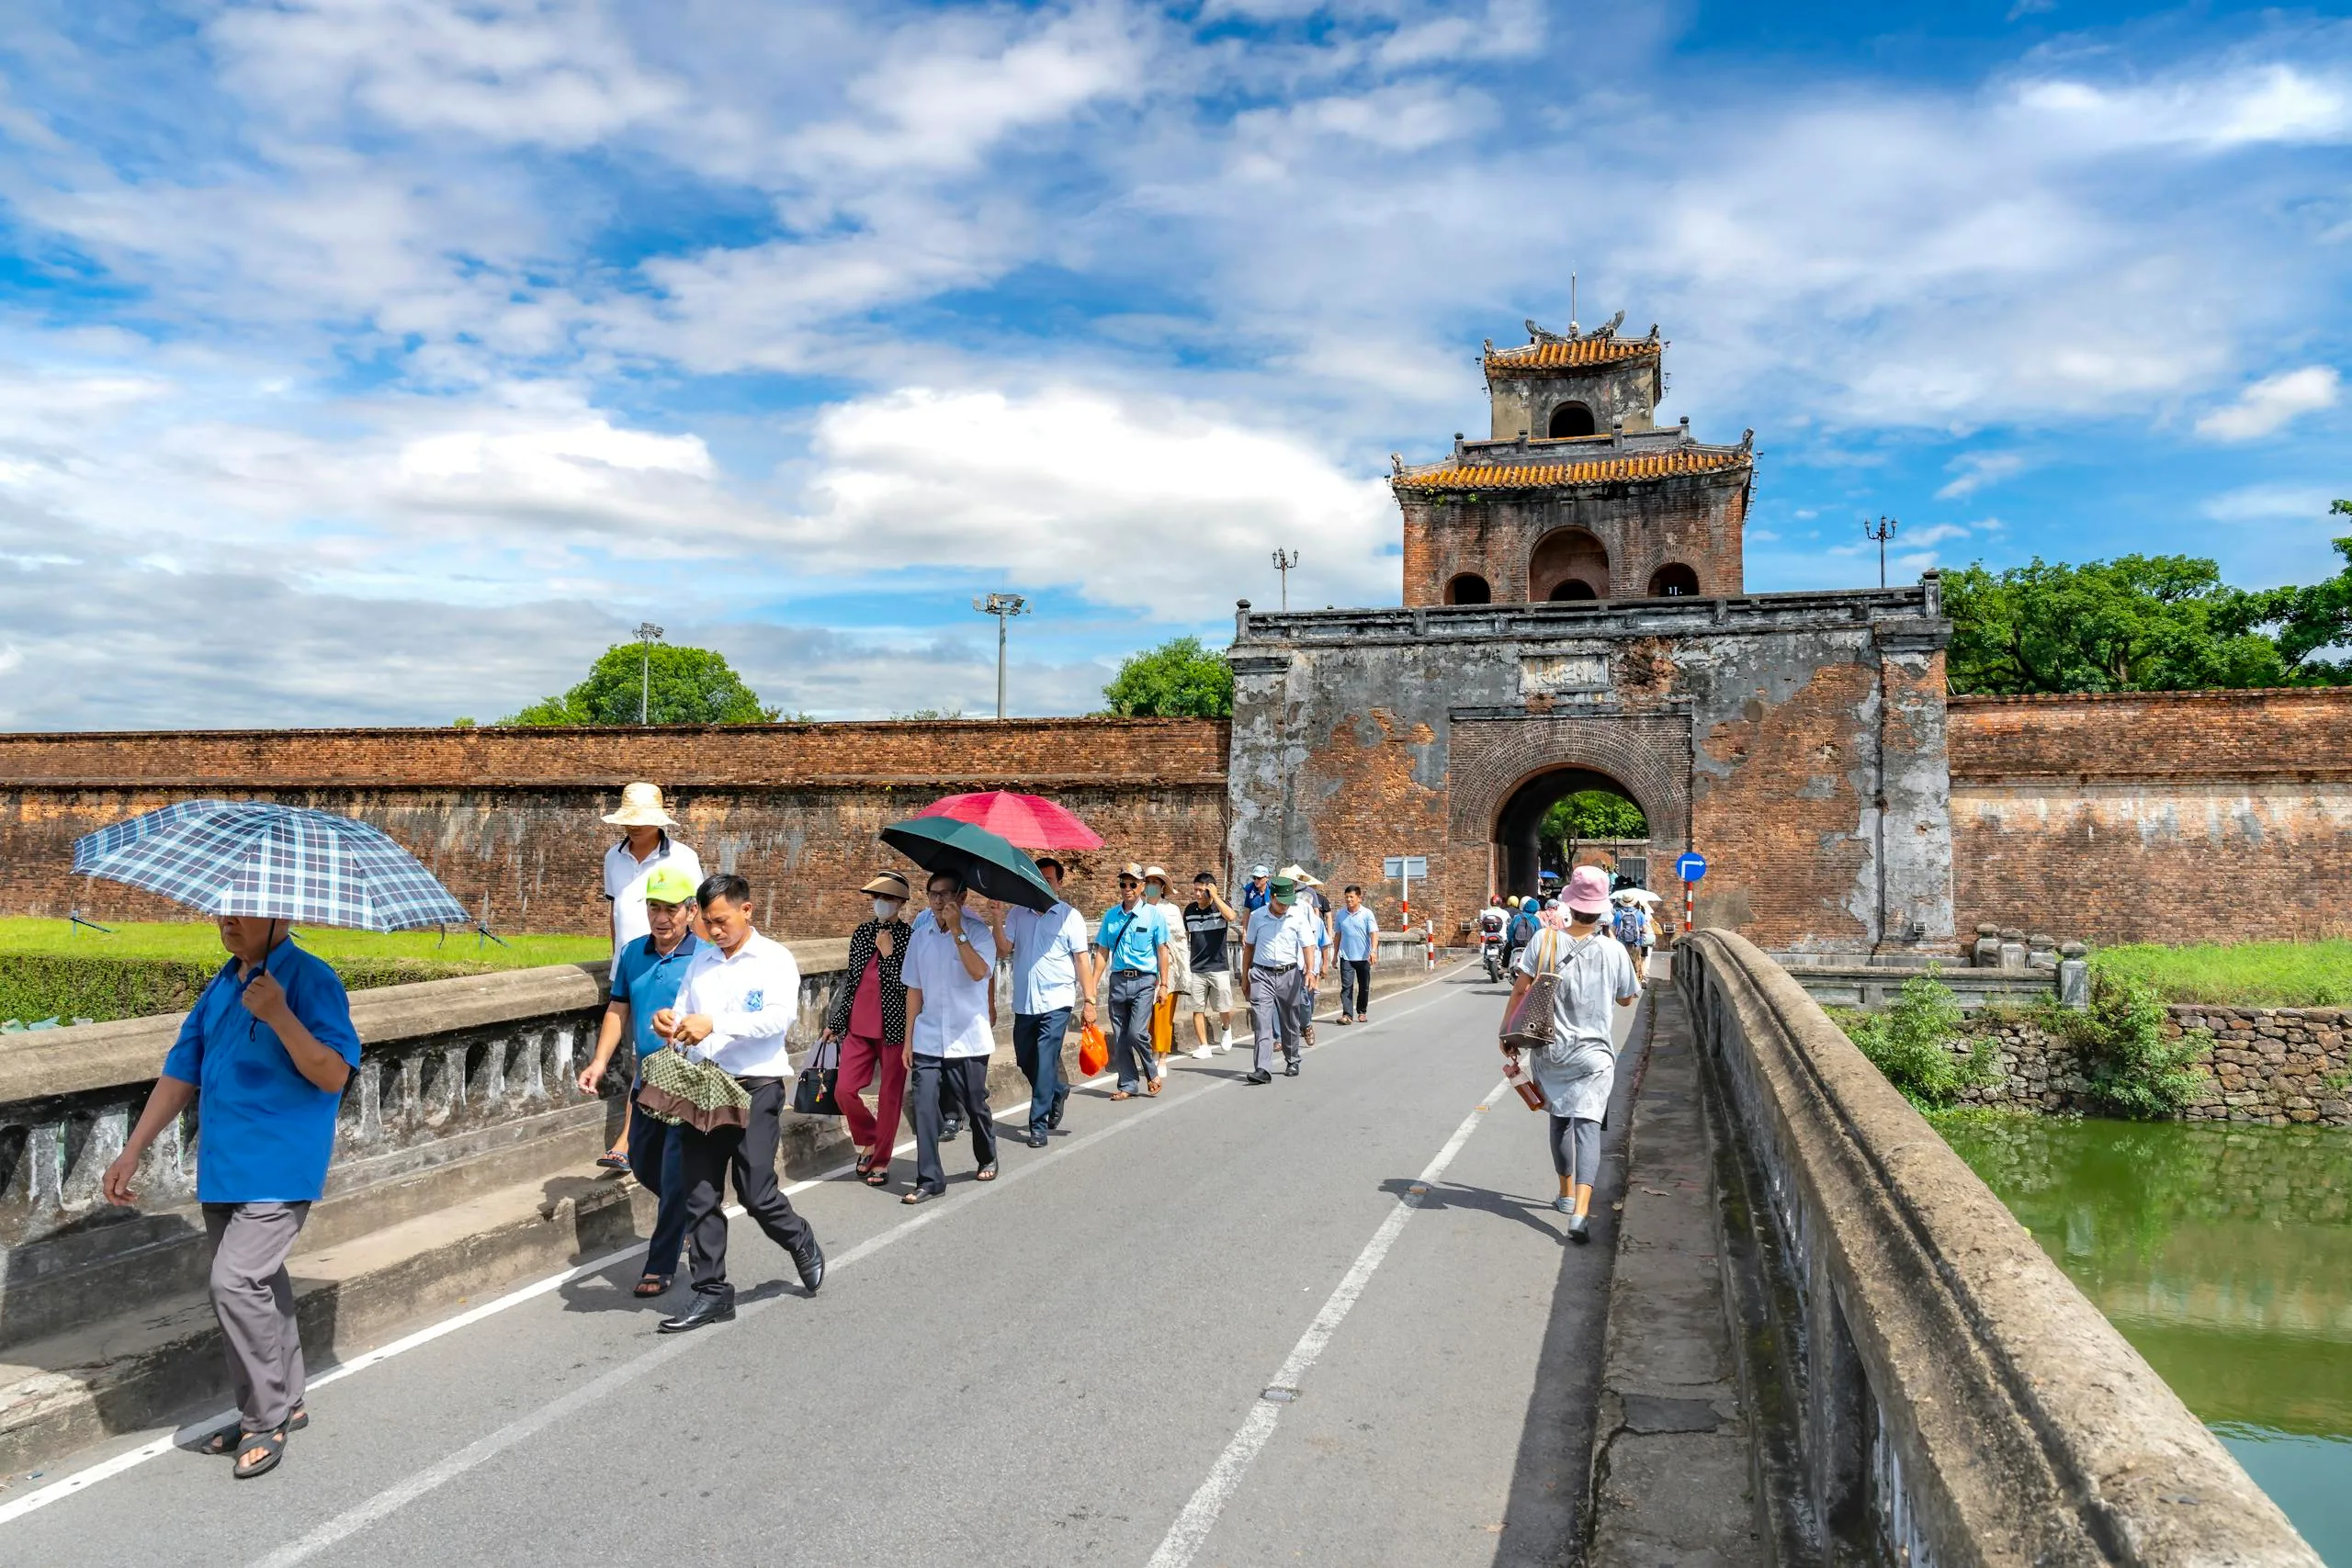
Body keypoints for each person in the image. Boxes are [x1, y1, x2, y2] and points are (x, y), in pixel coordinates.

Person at [100, 914, 363, 1480]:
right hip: (224, 1161)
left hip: (280, 1162)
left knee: (234, 1281)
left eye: (244, 910)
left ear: (282, 915)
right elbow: (181, 1069)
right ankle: (285, 1401)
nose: (228, 921)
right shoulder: (224, 982)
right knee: (261, 1282)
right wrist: (133, 1149)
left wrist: (279, 1015)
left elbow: (333, 1074)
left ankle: (262, 1419)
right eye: (223, 909)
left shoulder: (313, 980)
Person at [652, 874, 824, 1332]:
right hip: (705, 1086)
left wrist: (717, 1024)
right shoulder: (702, 962)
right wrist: (668, 1022)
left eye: (722, 920)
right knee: (700, 1193)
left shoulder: (773, 959)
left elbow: (777, 1018)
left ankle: (799, 1237)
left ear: (747, 910)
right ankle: (711, 1292)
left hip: (756, 1086)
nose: (714, 930)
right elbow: (685, 1009)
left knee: (755, 1191)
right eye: (707, 922)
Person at [575, 864, 703, 1297]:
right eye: (653, 908)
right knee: (644, 1163)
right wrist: (598, 1061)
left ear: (689, 911)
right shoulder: (632, 953)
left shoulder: (704, 956)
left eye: (670, 909)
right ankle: (688, 1210)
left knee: (670, 1169)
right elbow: (618, 1010)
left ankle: (660, 1263)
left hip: (688, 1077)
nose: (661, 918)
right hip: (646, 1078)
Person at [1498, 865, 1641, 1245]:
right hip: (1595, 1056)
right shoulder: (1614, 950)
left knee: (1560, 1120)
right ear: (1600, 909)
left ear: (1570, 904)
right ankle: (1580, 1213)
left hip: (1552, 1051)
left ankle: (1563, 1193)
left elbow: (1519, 991)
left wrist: (1506, 1031)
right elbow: (1627, 999)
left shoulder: (1544, 941)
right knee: (1588, 1127)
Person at [596, 782, 705, 1171]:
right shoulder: (614, 857)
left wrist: (697, 964)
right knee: (643, 1055)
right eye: (630, 821)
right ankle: (640, 1141)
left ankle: (630, 1141)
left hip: (676, 961)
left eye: (642, 821)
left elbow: (698, 915)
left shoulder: (682, 857)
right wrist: (617, 961)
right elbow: (616, 916)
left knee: (660, 1056)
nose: (635, 828)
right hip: (634, 964)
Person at [902, 870, 999, 1202]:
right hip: (928, 1037)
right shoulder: (921, 936)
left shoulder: (979, 933)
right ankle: (929, 1179)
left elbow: (977, 973)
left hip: (967, 1036)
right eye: (933, 895)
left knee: (975, 1104)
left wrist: (957, 931)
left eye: (945, 894)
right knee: (926, 1108)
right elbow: (914, 989)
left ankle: (986, 1152)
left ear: (962, 897)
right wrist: (908, 1039)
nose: (938, 901)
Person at [993, 854, 1095, 1148]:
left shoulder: (1069, 917)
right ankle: (1057, 1090)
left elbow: (1081, 961)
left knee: (1046, 1057)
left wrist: (1089, 1001)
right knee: (1026, 1059)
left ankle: (1037, 1124)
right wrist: (998, 918)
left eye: (1048, 879)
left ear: (1059, 884)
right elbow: (1003, 950)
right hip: (1025, 1002)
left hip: (1057, 1001)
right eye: (1036, 878)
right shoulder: (1016, 914)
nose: (1041, 883)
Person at [822, 872, 914, 1190]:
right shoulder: (862, 933)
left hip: (895, 1028)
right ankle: (871, 1137)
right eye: (877, 898)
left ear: (901, 903)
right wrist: (836, 1023)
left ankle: (880, 1160)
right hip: (859, 1025)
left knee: (890, 1097)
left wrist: (889, 955)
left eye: (888, 899)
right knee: (843, 1090)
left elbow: (909, 988)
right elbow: (854, 983)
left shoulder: (910, 938)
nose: (881, 904)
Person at [1092, 862, 1173, 1100]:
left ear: (1142, 887)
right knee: (1120, 1036)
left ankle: (1151, 1071)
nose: (1127, 888)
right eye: (1123, 884)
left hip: (1144, 981)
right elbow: (1102, 952)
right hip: (1118, 979)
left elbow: (1162, 951)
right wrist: (1092, 986)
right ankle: (1127, 1084)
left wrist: (1164, 985)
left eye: (1132, 884)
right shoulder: (1111, 916)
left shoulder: (1153, 915)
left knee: (1137, 1032)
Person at [1241, 875, 1323, 1083]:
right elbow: (1249, 947)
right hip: (1261, 974)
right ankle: (1262, 1069)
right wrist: (1245, 977)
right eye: (1280, 903)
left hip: (1290, 974)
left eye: (1288, 903)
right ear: (1272, 896)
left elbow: (1308, 945)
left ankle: (1292, 1058)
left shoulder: (1297, 917)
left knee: (1289, 1019)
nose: (1284, 907)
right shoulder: (1258, 917)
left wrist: (1310, 972)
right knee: (1262, 1021)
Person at [1182, 871, 1239, 1057]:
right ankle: (1204, 1046)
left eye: (1201, 890)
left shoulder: (1221, 908)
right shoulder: (1189, 910)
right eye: (1195, 890)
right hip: (1197, 968)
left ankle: (1226, 1027)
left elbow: (1231, 917)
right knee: (1197, 1008)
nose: (1197, 894)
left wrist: (1215, 896)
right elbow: (1184, 936)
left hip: (1218, 967)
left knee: (1223, 1006)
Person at [1333, 885, 1380, 1024]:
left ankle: (1362, 1011)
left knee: (1364, 985)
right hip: (1346, 956)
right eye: (1346, 897)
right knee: (1346, 987)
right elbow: (1338, 935)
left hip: (1363, 956)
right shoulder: (1341, 914)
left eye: (1351, 897)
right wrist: (1335, 955)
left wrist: (1373, 951)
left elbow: (1374, 933)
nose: (1348, 900)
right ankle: (1347, 1014)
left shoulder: (1367, 914)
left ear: (1359, 898)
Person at [1611, 893, 1655, 983]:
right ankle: (1635, 983)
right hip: (1636, 943)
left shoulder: (1618, 914)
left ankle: (1624, 982)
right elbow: (1645, 930)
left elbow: (1613, 929)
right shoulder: (1639, 914)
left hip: (1621, 943)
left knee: (1624, 963)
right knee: (1636, 962)